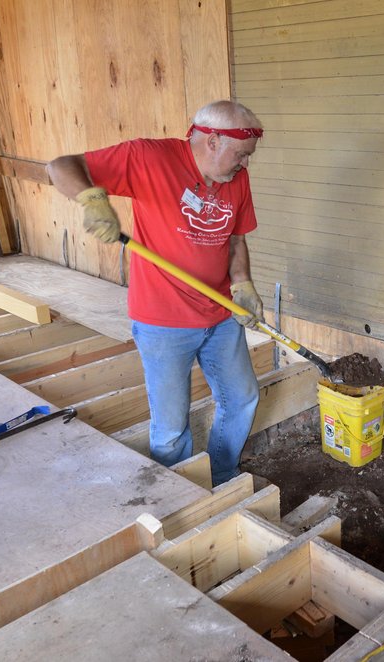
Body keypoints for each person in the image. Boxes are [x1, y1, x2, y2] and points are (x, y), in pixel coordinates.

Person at [46, 100, 264, 485]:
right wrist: (92, 200)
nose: (244, 165)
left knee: (243, 397)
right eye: (241, 155)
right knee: (170, 426)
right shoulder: (150, 158)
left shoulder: (236, 180)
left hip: (219, 313)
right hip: (164, 321)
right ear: (212, 141)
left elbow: (235, 239)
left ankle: (223, 474)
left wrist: (242, 283)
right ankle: (179, 492)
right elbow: (60, 166)